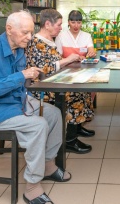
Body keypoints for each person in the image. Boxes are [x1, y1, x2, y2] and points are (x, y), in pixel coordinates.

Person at [0, 11, 70, 204]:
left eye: (31, 33)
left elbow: (20, 81)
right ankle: (32, 186)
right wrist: (21, 76)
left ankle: (48, 164)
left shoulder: (19, 48)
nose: (30, 38)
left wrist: (32, 77)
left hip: (15, 100)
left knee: (56, 113)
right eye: (25, 33)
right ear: (8, 29)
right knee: (38, 125)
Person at [26, 9, 94, 154]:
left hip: (50, 81)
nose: (61, 27)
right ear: (48, 24)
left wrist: (68, 61)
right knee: (77, 94)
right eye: (58, 24)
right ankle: (70, 140)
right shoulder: (36, 42)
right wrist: (68, 60)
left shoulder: (48, 41)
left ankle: (75, 129)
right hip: (41, 87)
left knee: (82, 90)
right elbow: (44, 69)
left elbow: (54, 63)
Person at [55, 9, 96, 126]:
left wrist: (91, 52)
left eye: (78, 22)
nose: (76, 25)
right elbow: (58, 56)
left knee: (91, 89)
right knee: (75, 95)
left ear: (81, 23)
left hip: (83, 69)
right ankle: (75, 124)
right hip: (66, 71)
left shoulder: (86, 36)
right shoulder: (61, 36)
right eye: (73, 22)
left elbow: (90, 49)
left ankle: (82, 120)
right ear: (68, 22)